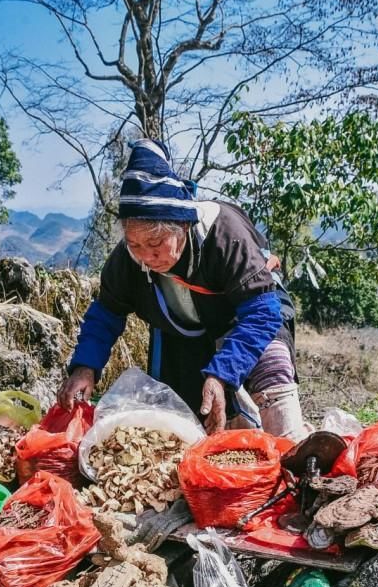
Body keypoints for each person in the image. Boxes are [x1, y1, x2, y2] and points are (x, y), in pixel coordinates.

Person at [58, 139, 309, 439]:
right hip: (182, 332)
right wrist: (85, 367)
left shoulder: (224, 234)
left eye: (155, 244)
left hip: (245, 318)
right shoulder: (127, 259)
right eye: (134, 244)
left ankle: (294, 455)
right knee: (191, 424)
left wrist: (223, 373)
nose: (146, 257)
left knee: (272, 385)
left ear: (184, 227)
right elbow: (106, 313)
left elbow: (262, 312)